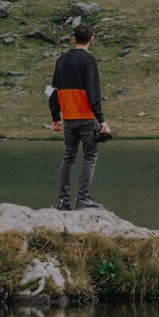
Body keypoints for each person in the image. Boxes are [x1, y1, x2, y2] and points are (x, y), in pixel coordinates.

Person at [47, 24, 111, 210]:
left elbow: (53, 90)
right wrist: (101, 120)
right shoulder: (89, 60)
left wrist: (55, 116)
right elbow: (93, 92)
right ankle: (83, 198)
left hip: (68, 117)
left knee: (69, 157)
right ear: (91, 39)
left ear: (73, 38)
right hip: (86, 116)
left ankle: (63, 200)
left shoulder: (62, 60)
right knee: (90, 156)